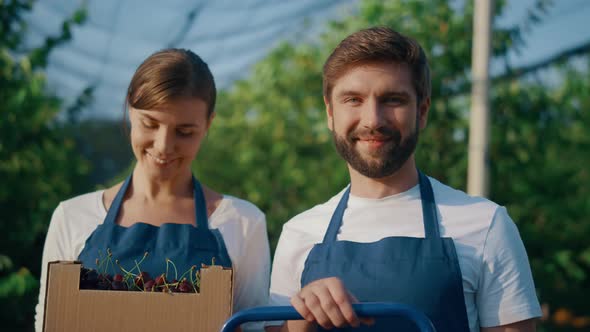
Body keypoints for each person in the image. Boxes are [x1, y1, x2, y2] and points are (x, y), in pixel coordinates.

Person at [266, 27, 542, 332]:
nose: (373, 120)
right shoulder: (298, 233)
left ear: (421, 112)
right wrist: (301, 320)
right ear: (330, 113)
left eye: (393, 99)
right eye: (353, 99)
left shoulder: (487, 224)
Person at [35, 49, 270, 331]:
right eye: (150, 124)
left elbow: (256, 327)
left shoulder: (242, 222)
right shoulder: (73, 216)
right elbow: (50, 322)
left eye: (184, 132)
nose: (163, 146)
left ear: (208, 124)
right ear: (129, 110)